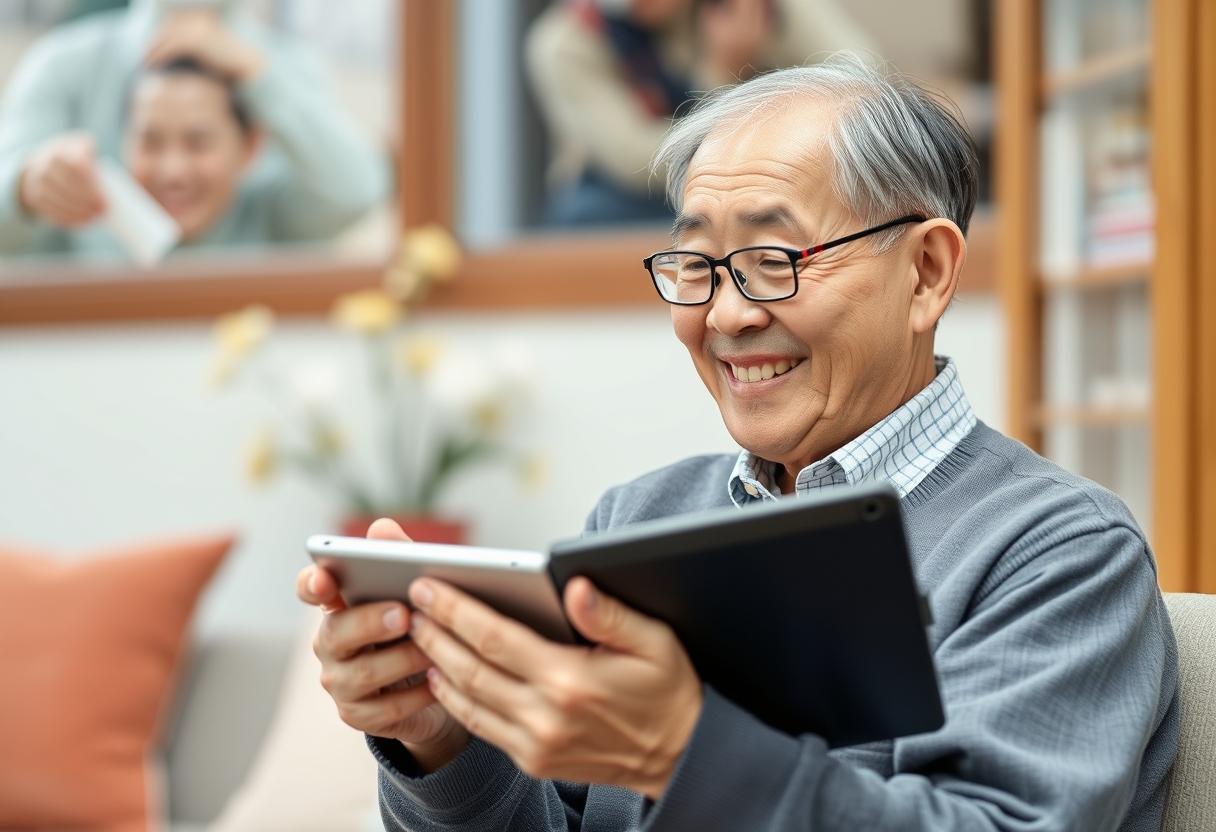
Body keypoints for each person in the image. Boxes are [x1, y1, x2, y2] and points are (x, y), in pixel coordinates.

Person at [298, 54, 1179, 831]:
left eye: (772, 260)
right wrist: (440, 742)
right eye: (696, 266)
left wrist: (681, 752)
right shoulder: (637, 519)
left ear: (927, 272)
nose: (724, 314)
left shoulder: (1057, 552)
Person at [0, 0, 390, 259]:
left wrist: (260, 73)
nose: (174, 171)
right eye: (151, 141)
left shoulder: (291, 68)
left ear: (251, 146)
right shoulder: (61, 65)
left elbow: (357, 192)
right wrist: (26, 184)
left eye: (199, 142)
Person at [525, 0, 874, 227]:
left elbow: (859, 79)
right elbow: (639, 161)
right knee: (585, 218)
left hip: (776, 172)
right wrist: (722, 75)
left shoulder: (761, 9)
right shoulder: (568, 43)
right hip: (646, 202)